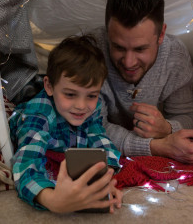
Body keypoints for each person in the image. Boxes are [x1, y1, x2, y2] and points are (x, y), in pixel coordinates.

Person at [91, 0, 193, 163]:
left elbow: (186, 115)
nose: (129, 62)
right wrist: (156, 147)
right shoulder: (89, 51)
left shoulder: (175, 56)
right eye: (118, 47)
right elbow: (91, 127)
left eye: (140, 49)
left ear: (161, 34)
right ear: (108, 33)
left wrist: (167, 128)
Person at [9, 35, 122, 213]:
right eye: (70, 94)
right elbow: (25, 165)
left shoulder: (91, 109)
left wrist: (102, 178)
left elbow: (100, 139)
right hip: (28, 123)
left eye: (91, 95)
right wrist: (53, 200)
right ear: (49, 86)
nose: (81, 106)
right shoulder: (39, 115)